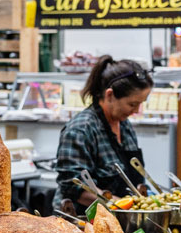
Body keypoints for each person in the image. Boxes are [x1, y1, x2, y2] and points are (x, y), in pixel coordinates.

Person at [55, 56, 154, 208]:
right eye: (132, 104)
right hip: (83, 221)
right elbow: (73, 188)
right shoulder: (80, 130)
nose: (136, 111)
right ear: (109, 95)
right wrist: (120, 205)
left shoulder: (124, 125)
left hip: (121, 218)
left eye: (141, 104)